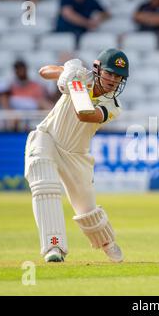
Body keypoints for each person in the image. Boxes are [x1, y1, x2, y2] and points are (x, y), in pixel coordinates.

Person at [24, 48, 129, 263]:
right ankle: (54, 247)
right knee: (44, 185)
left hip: (76, 155)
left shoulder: (113, 106)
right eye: (109, 73)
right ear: (98, 69)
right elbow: (44, 71)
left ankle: (106, 242)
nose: (113, 80)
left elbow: (85, 115)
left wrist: (74, 87)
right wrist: (67, 73)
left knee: (87, 209)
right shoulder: (80, 74)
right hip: (48, 138)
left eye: (118, 77)